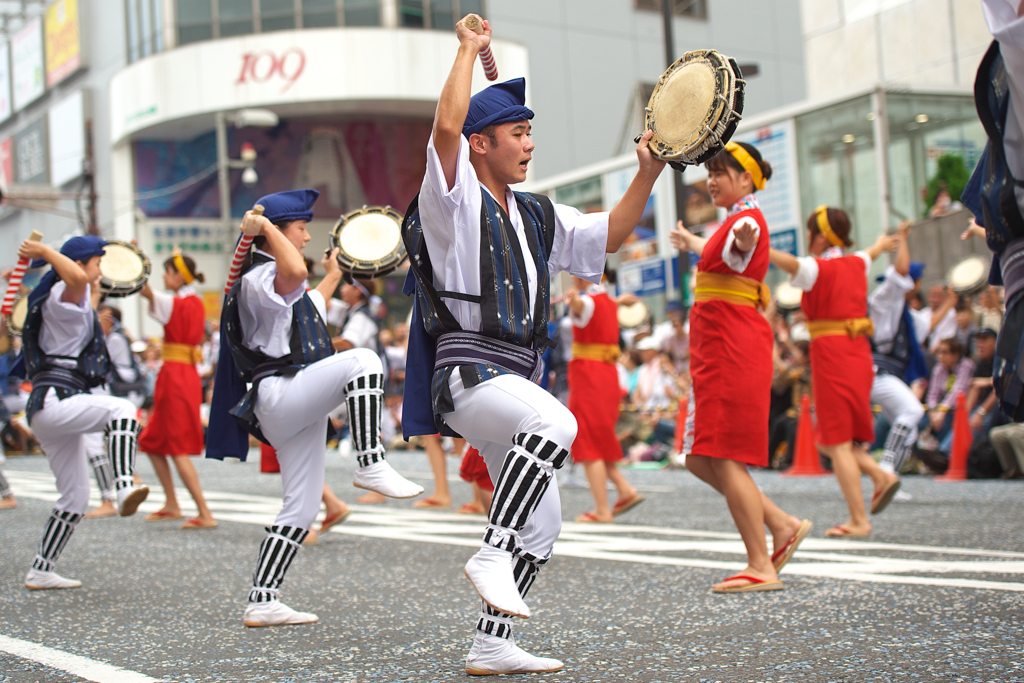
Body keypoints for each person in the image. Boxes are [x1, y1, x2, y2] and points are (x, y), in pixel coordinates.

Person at [401, 15, 665, 675]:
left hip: (510, 377)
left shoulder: (540, 212)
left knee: (544, 523)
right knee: (558, 421)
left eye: (530, 131)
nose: (531, 144)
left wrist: (649, 174)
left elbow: (609, 235)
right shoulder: (452, 201)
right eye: (519, 133)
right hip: (466, 370)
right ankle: (491, 552)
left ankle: (490, 642)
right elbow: (443, 131)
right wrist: (467, 50)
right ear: (481, 143)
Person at [208, 189, 422, 628]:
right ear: (278, 235)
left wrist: (333, 275)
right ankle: (369, 461)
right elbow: (292, 270)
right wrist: (263, 227)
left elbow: (310, 304)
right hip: (281, 393)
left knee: (301, 509)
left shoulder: (273, 282)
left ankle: (262, 600)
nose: (307, 236)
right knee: (362, 359)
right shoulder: (258, 277)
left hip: (289, 400)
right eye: (300, 228)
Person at [671, 142, 811, 593]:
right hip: (722, 344)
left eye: (721, 172)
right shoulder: (735, 219)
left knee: (723, 453)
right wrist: (693, 241)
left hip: (729, 345)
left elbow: (736, 246)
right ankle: (780, 524)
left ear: (746, 179)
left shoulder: (745, 220)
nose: (712, 180)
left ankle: (760, 563)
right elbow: (723, 251)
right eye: (710, 172)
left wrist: (740, 240)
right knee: (698, 456)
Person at [14, 235, 149, 590]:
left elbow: (88, 294)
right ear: (79, 264)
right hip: (57, 401)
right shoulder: (63, 292)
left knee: (73, 497)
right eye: (97, 262)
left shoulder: (69, 299)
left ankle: (41, 569)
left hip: (50, 408)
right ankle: (121, 487)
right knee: (121, 407)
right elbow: (76, 280)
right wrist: (45, 252)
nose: (101, 268)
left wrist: (121, 260)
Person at [769, 207, 901, 538]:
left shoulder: (817, 268)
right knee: (830, 441)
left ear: (821, 236)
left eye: (812, 232)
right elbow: (870, 253)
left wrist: (760, 247)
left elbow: (790, 263)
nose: (810, 239)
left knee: (837, 441)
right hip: (857, 354)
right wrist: (882, 245)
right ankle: (878, 474)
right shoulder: (858, 261)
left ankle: (859, 519)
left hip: (832, 357)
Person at [137, 251, 217, 529]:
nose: (163, 276)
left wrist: (135, 264)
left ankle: (204, 513)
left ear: (178, 274)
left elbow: (144, 290)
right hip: (184, 375)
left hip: (175, 376)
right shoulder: (193, 302)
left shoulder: (178, 303)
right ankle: (172, 503)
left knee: (176, 446)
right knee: (152, 441)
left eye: (167, 271)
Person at [565, 275, 643, 523]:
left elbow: (582, 306)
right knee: (599, 437)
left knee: (588, 441)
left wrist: (573, 301)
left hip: (589, 376)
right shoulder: (609, 301)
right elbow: (598, 304)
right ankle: (624, 490)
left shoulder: (588, 301)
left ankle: (602, 509)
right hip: (607, 375)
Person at [868, 222, 931, 477]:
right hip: (875, 371)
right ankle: (885, 468)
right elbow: (902, 269)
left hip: (885, 374)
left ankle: (889, 478)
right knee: (913, 410)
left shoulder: (904, 312)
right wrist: (903, 238)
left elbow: (926, 326)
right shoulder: (885, 297)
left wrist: (950, 302)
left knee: (910, 427)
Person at [925, 337, 976, 453]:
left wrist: (942, 411)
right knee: (921, 421)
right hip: (940, 409)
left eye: (944, 352)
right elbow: (932, 394)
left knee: (946, 421)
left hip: (959, 408)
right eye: (939, 352)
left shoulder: (966, 366)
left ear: (956, 355)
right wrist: (933, 412)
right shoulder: (938, 368)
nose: (940, 356)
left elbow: (958, 391)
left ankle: (942, 454)